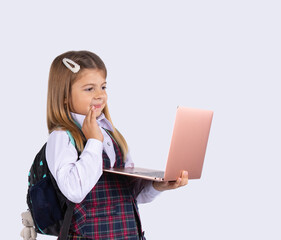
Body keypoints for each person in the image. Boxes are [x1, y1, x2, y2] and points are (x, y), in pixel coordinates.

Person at [43, 50, 188, 239]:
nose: (100, 95)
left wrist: (158, 186)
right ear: (64, 95)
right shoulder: (62, 136)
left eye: (103, 87)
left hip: (129, 234)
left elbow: (130, 195)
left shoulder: (111, 134)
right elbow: (74, 191)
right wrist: (94, 141)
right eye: (89, 89)